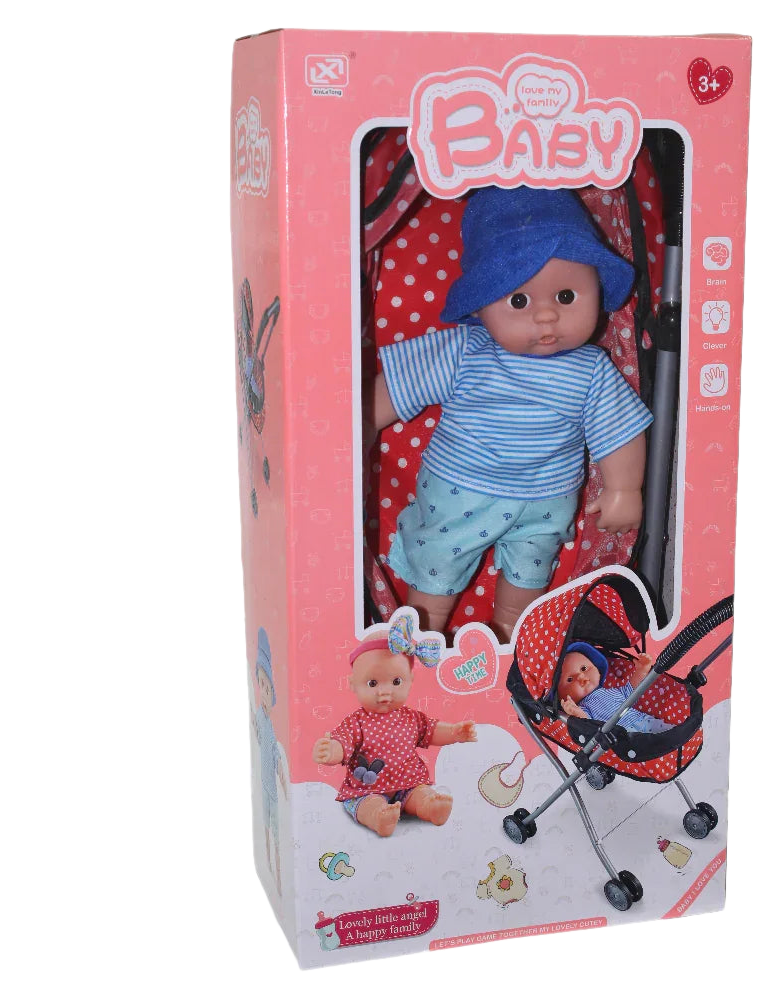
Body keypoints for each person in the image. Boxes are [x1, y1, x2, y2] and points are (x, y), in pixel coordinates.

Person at [368, 187, 653, 641]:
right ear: (481, 306)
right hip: (459, 489)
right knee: (435, 574)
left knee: (527, 583)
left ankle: (510, 642)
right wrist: (358, 427)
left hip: (546, 502)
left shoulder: (592, 369)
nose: (546, 316)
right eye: (519, 301)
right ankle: (420, 641)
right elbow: (398, 385)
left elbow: (620, 431)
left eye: (566, 296)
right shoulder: (467, 351)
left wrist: (623, 488)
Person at [312, 613, 477, 837]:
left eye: (396, 682)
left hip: (407, 783)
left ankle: (431, 806)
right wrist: (331, 750)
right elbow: (344, 742)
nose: (385, 692)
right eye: (372, 683)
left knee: (420, 793)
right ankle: (378, 816)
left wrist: (454, 732)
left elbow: (431, 731)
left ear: (410, 680)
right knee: (368, 804)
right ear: (353, 684)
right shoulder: (356, 722)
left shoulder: (411, 718)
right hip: (366, 789)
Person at [558, 641, 672, 734]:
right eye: (570, 679)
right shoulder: (584, 707)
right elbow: (589, 724)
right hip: (622, 735)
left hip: (643, 721)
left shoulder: (610, 691)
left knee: (672, 732)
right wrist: (576, 713)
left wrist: (641, 671)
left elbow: (632, 691)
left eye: (584, 668)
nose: (581, 677)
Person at [251, 627, 287, 892]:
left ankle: (278, 875)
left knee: (276, 833)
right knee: (266, 826)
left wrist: (284, 785)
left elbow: (275, 755)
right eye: (261, 686)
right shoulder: (261, 718)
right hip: (264, 785)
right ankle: (268, 868)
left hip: (273, 790)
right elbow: (259, 738)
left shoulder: (272, 726)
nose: (263, 692)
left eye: (267, 688)